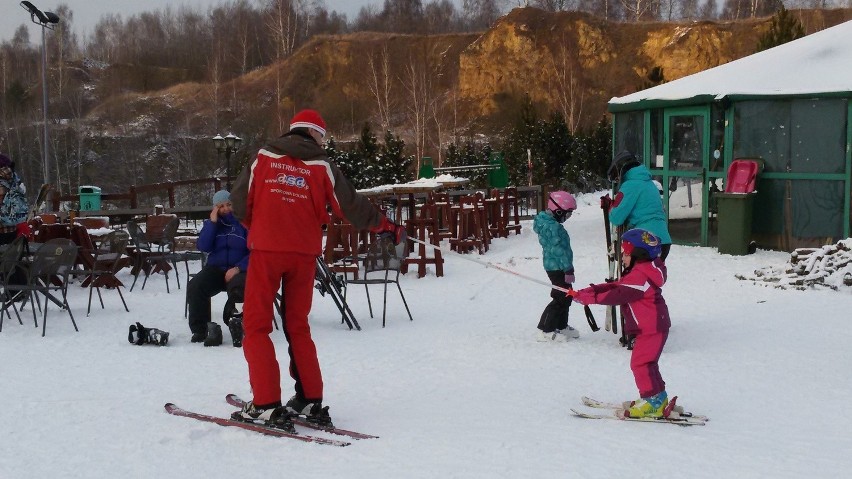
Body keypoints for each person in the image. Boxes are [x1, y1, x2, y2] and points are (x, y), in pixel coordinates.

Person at [229, 109, 404, 430]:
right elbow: (351, 205)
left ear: (292, 131)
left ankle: (266, 403)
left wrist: (260, 227)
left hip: (267, 251)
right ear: (316, 135)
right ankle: (310, 400)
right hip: (304, 254)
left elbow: (239, 202)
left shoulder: (264, 157)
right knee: (297, 326)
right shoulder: (323, 166)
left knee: (256, 326)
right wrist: (387, 227)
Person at [571, 228, 672, 418]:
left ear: (637, 255)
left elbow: (617, 294)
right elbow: (616, 286)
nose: (623, 258)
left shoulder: (640, 276)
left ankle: (653, 402)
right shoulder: (641, 271)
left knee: (641, 364)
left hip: (651, 329)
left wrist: (590, 299)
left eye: (626, 254)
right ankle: (658, 398)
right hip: (653, 327)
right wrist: (587, 292)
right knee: (647, 364)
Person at [187, 190, 249, 347]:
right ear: (215, 209)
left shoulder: (245, 223)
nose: (225, 209)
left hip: (239, 270)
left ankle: (238, 323)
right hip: (216, 268)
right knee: (196, 285)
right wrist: (212, 223)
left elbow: (256, 252)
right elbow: (203, 246)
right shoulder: (213, 225)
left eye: (228, 204)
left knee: (239, 288)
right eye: (220, 206)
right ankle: (200, 330)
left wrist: (238, 268)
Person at [601, 151, 672, 261]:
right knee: (651, 276)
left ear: (621, 171)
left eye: (616, 178)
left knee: (635, 277)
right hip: (663, 240)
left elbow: (616, 217)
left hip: (645, 242)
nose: (618, 181)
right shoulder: (649, 184)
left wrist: (610, 207)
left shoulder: (630, 185)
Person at [532, 190, 578, 342]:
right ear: (558, 211)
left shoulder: (549, 224)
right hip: (557, 267)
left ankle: (561, 325)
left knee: (566, 295)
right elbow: (558, 250)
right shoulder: (553, 228)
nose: (568, 217)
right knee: (560, 297)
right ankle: (545, 329)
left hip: (557, 265)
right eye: (568, 213)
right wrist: (568, 269)